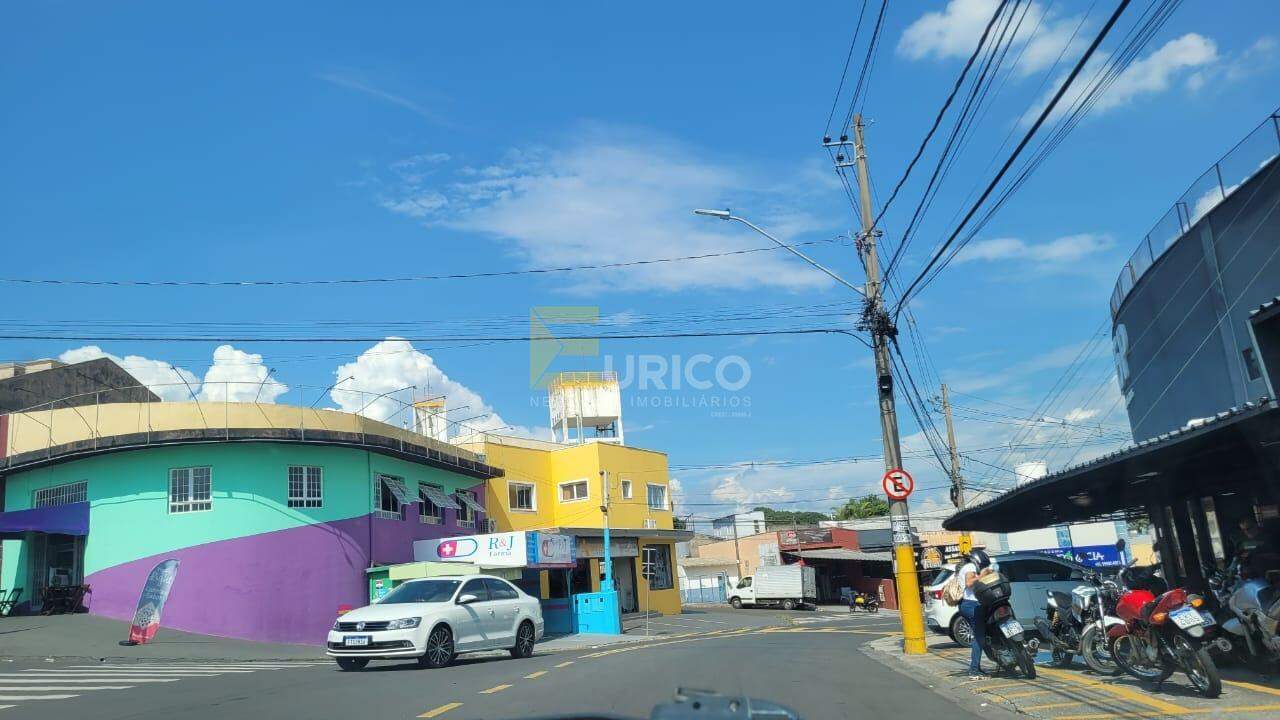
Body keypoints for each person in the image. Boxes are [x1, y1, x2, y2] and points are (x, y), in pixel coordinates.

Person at [957, 548, 991, 679]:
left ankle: (977, 666)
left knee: (982, 633)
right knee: (979, 636)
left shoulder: (969, 567)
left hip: (972, 604)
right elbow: (970, 583)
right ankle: (974, 669)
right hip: (971, 604)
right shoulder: (970, 567)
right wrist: (983, 574)